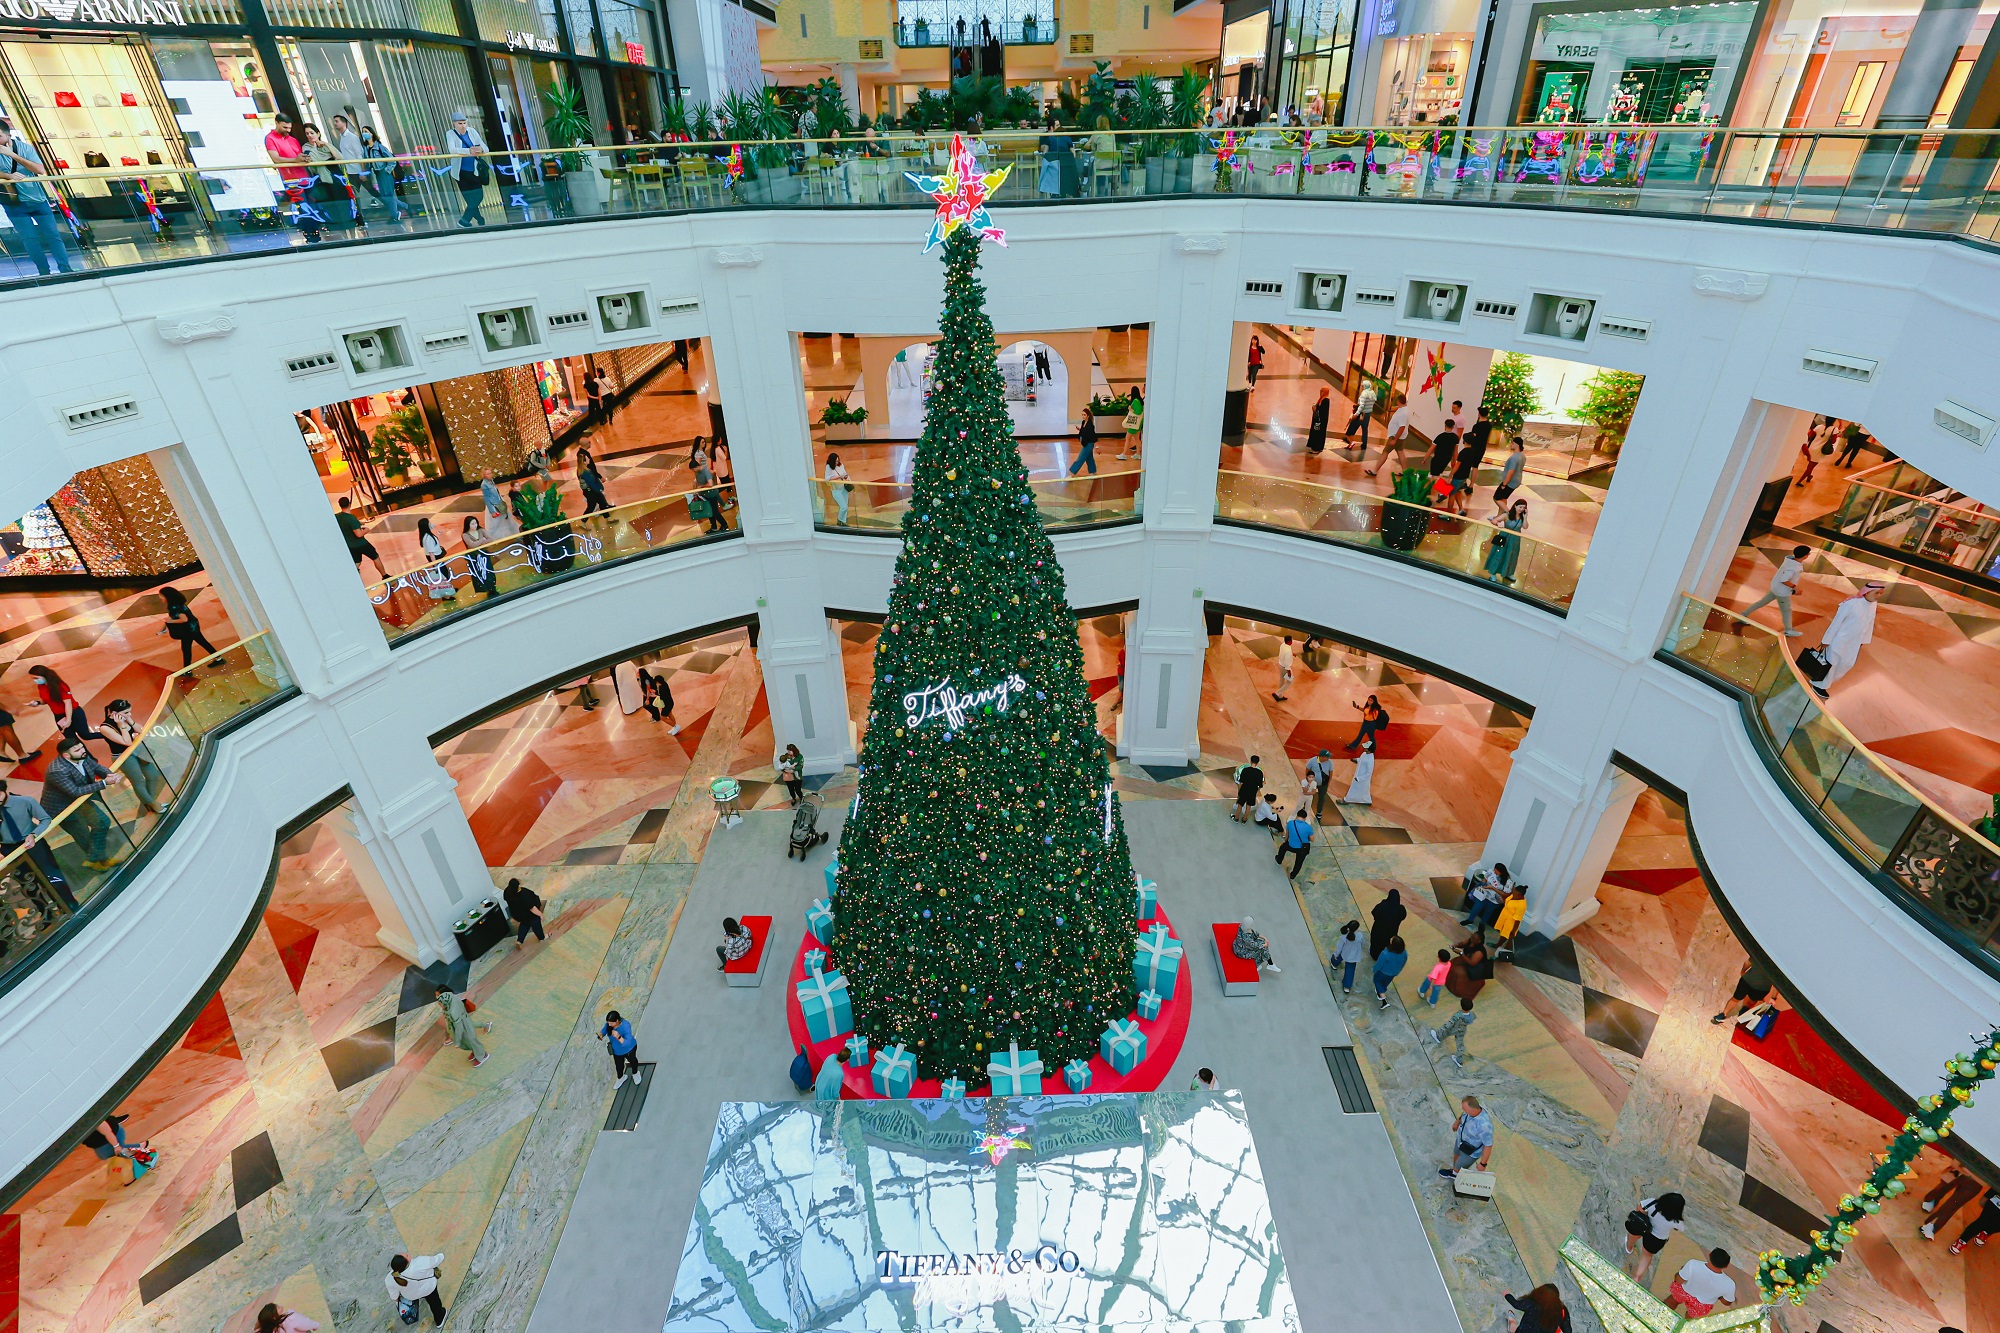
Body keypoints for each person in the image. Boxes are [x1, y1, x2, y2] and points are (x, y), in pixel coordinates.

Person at [0, 116, 76, 276]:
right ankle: (43, 271)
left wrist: (12, 155)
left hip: (37, 199)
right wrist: (8, 175)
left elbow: (40, 170)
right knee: (29, 239)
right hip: (14, 203)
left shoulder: (24, 148)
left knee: (53, 235)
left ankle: (65, 268)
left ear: (8, 135)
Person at [42, 738, 123, 871]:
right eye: (77, 749)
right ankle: (100, 861)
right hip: (63, 809)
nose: (82, 750)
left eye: (82, 747)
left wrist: (111, 775)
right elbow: (75, 791)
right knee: (82, 834)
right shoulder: (56, 770)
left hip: (79, 802)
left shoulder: (82, 756)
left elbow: (97, 768)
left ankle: (93, 858)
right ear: (66, 755)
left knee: (102, 822)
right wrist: (104, 783)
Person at [0, 779, 69, 908]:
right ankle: (46, 915)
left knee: (52, 875)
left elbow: (45, 819)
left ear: (4, 790)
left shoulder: (25, 801)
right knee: (28, 884)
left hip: (34, 843)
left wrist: (34, 834)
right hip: (10, 849)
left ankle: (68, 904)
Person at [100, 700, 165, 815]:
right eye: (126, 713)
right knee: (138, 781)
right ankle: (153, 804)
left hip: (137, 750)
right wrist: (122, 726)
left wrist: (129, 720)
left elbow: (140, 731)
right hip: (123, 756)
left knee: (153, 775)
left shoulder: (126, 719)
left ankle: (150, 802)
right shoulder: (105, 727)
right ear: (114, 713)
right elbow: (127, 742)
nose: (129, 714)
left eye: (130, 712)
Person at [263, 113, 320, 242]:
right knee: (303, 207)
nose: (288, 130)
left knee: (312, 206)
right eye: (285, 128)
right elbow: (275, 159)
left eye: (289, 128)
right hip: (291, 179)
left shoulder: (292, 139)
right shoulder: (270, 138)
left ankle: (316, 233)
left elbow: (298, 156)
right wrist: (295, 159)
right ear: (276, 123)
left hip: (305, 177)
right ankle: (310, 236)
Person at [1744, 544, 1809, 637]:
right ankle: (1788, 630)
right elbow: (1784, 579)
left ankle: (1743, 614)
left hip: (1775, 587)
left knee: (1761, 602)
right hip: (1781, 592)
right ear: (1805, 556)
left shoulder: (1789, 560)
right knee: (1786, 610)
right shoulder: (1794, 567)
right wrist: (1795, 588)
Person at [1624, 1191, 1686, 1282]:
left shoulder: (1652, 1203)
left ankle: (1629, 1248)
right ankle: (1637, 1277)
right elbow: (1681, 1229)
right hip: (1657, 1239)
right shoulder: (1677, 1221)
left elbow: (1639, 1208)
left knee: (1634, 1235)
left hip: (1643, 1227)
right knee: (1647, 1255)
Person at [358, 124, 410, 222]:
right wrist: (366, 173)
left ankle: (395, 215)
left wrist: (387, 170)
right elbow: (368, 163)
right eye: (363, 132)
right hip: (377, 173)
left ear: (371, 133)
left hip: (384, 173)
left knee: (388, 194)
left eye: (366, 131)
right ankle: (404, 206)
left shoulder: (379, 147)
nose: (364, 133)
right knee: (385, 195)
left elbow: (392, 160)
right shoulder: (366, 148)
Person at [158, 587, 219, 667]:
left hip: (188, 630)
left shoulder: (173, 606)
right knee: (202, 643)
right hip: (193, 626)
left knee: (186, 649)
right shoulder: (178, 603)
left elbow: (184, 619)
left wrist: (171, 622)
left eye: (161, 596)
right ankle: (219, 658)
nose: (160, 598)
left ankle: (187, 669)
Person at [448, 113, 488, 227]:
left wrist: (480, 149)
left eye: (464, 123)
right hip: (460, 173)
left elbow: (485, 148)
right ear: (454, 124)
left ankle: (464, 221)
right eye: (460, 123)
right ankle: (479, 219)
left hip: (474, 171)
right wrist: (468, 151)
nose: (463, 126)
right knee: (470, 200)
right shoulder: (450, 134)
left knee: (478, 196)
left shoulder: (472, 131)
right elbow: (452, 150)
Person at [1922, 1166, 1985, 1239]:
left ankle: (1932, 1225)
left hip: (1977, 1182)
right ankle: (1932, 1199)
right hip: (1961, 1168)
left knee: (1953, 1204)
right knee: (1943, 1186)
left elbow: (1987, 1182)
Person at [1668, 1251, 1736, 1318]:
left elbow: (1678, 1280)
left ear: (1710, 1255)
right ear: (1726, 1265)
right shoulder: (1730, 1284)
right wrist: (1719, 1296)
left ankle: (1663, 1314)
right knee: (1690, 1319)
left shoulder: (1693, 1264)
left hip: (1683, 1291)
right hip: (1702, 1304)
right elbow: (1726, 1302)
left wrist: (1681, 1271)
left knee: (1672, 1301)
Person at [336, 497, 390, 582]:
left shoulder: (338, 517)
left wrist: (359, 523)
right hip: (361, 544)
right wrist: (367, 529)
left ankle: (349, 579)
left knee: (357, 562)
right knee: (375, 557)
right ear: (349, 504)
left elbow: (347, 524)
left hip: (350, 545)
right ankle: (385, 575)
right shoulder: (351, 518)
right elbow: (358, 534)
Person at [1440, 1093, 1493, 1179]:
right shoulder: (1471, 1112)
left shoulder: (1484, 1126)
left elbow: (1488, 1145)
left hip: (1470, 1150)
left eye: (1464, 1108)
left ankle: (1455, 1175)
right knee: (1456, 1156)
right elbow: (1464, 1114)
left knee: (1459, 1166)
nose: (1462, 1109)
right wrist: (1457, 1121)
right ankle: (1455, 1169)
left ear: (1472, 1109)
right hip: (1460, 1141)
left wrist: (1483, 1164)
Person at [386, 1253, 447, 1327]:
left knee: (421, 1296)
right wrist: (441, 1255)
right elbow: (437, 1259)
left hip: (412, 1295)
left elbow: (394, 1296)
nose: (407, 1254)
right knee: (435, 1303)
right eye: (407, 1256)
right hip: (429, 1288)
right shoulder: (419, 1263)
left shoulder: (389, 1279)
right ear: (406, 1263)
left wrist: (396, 1298)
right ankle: (439, 1320)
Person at [436, 984, 491, 1066]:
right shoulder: (450, 1001)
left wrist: (457, 1041)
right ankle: (476, 1051)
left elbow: (459, 1028)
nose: (437, 998)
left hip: (462, 1024)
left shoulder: (453, 1011)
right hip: (462, 1021)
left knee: (471, 1039)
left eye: (438, 995)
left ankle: (482, 1055)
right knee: (468, 1038)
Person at [1712, 957, 1774, 1024]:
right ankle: (1725, 1013)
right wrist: (1743, 971)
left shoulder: (1763, 954)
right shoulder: (1763, 954)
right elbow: (1749, 962)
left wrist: (1743, 971)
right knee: (1737, 998)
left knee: (1746, 999)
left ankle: (1743, 1009)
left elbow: (1748, 962)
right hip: (1753, 984)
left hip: (1758, 986)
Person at [1364, 393, 1413, 477]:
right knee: (1400, 452)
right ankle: (1405, 472)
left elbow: (1401, 427)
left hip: (1395, 436)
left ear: (1398, 401)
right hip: (1400, 437)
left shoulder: (1402, 414)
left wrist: (1394, 440)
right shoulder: (1404, 409)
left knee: (1385, 452)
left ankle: (1375, 471)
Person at [1424, 995, 1477, 1067]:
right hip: (1462, 1030)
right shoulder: (1472, 1014)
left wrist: (1442, 1029)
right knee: (1460, 1044)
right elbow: (1472, 1020)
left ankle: (1438, 1037)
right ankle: (1459, 1060)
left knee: (1445, 1033)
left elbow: (1449, 1024)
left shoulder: (1458, 1015)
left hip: (1453, 1029)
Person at [1484, 497, 1529, 583]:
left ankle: (1509, 573)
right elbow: (1495, 520)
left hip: (1515, 540)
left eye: (1524, 508)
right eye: (1520, 507)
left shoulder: (1522, 517)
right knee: (1499, 555)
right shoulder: (1507, 515)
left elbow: (1525, 527)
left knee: (1512, 556)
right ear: (1515, 506)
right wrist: (1497, 524)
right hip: (1505, 537)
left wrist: (1525, 517)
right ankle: (1493, 573)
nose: (1521, 509)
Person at [1503, 1284, 1571, 1333]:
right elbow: (1568, 1330)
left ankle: (1511, 1321)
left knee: (1513, 1328)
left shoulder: (1532, 1303)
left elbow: (1516, 1304)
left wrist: (1507, 1295)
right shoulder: (1562, 1310)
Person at [416, 517, 454, 601]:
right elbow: (431, 553)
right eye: (429, 523)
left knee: (443, 574)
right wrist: (435, 565)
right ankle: (446, 595)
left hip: (436, 558)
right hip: (436, 559)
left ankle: (447, 592)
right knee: (443, 575)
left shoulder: (426, 536)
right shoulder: (428, 538)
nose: (431, 524)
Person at [600, 1008, 640, 1085]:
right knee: (619, 1066)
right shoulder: (609, 1025)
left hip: (629, 1049)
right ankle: (620, 1078)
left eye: (611, 1023)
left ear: (617, 1021)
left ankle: (635, 1073)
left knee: (633, 1062)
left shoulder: (626, 1025)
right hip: (617, 1051)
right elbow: (604, 1030)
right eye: (608, 1022)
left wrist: (618, 1036)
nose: (609, 1025)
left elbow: (627, 1043)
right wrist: (601, 1035)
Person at [503, 876, 544, 947]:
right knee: (536, 924)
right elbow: (532, 908)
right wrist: (540, 914)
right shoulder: (523, 895)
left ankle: (520, 941)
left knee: (525, 924)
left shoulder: (507, 892)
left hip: (518, 914)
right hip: (528, 914)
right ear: (518, 886)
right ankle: (542, 938)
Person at [1275, 806, 1313, 879]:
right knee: (1299, 862)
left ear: (1297, 815)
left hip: (1290, 845)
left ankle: (1279, 859)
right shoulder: (1308, 827)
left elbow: (1287, 835)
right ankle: (1293, 875)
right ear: (1305, 818)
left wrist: (1285, 842)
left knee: (1282, 848)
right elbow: (1312, 839)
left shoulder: (1290, 823)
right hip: (1302, 848)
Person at [461, 516, 496, 596]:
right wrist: (482, 540)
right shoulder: (465, 535)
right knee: (478, 573)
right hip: (474, 557)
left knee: (488, 571)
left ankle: (492, 588)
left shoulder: (481, 530)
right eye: (472, 524)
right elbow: (472, 545)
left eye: (476, 523)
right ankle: (485, 589)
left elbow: (490, 539)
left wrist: (479, 543)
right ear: (468, 525)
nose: (475, 525)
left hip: (484, 554)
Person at [1369, 887, 1407, 959]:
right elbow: (1403, 916)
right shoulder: (1400, 909)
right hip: (1392, 931)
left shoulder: (1382, 905)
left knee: (1376, 941)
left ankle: (1374, 955)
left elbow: (1374, 912)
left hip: (1378, 928)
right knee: (1387, 943)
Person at [1372, 935, 1408, 1008]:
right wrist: (1399, 970)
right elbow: (1404, 962)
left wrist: (1374, 969)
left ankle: (1383, 999)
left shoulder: (1385, 953)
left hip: (1383, 972)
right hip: (1393, 972)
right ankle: (1382, 991)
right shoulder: (1404, 952)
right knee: (1386, 983)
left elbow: (1379, 963)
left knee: (1377, 981)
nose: (1391, 938)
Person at [1330, 920, 1366, 993]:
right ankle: (1347, 986)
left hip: (1345, 953)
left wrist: (1336, 954)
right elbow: (1363, 943)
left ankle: (1334, 964)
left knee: (1338, 957)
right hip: (1354, 957)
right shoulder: (1359, 935)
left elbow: (1339, 947)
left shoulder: (1344, 936)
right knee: (1350, 971)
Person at [1341, 379, 1378, 450]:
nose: (1361, 387)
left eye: (1362, 386)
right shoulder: (1372, 392)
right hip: (1368, 413)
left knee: (1352, 426)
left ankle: (1349, 440)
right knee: (1364, 429)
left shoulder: (1364, 394)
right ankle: (1364, 444)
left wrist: (1356, 414)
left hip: (1361, 413)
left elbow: (1361, 405)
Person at [640, 668, 679, 733]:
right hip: (669, 703)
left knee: (663, 717)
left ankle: (675, 726)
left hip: (667, 705)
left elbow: (662, 696)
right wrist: (655, 692)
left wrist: (655, 695)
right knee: (670, 715)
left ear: (658, 682)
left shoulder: (662, 688)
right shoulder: (664, 684)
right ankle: (674, 727)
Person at [1494, 435, 1527, 505]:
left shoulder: (1514, 458)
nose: (1510, 444)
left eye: (1512, 443)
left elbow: (1511, 472)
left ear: (1517, 444)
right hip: (1516, 481)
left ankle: (1507, 513)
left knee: (1496, 498)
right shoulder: (1522, 456)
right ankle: (1501, 515)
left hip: (1510, 482)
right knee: (1503, 498)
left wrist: (1504, 484)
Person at [1232, 754, 1265, 823]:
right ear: (1257, 763)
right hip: (1252, 791)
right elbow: (1260, 785)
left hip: (1244, 790)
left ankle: (1236, 818)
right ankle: (1244, 819)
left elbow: (1241, 782)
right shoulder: (1260, 773)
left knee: (1240, 805)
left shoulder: (1245, 770)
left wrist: (1240, 791)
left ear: (1251, 761)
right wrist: (1256, 792)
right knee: (1248, 806)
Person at [1343, 740, 1375, 805]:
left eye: (1366, 747)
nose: (1364, 748)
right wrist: (1356, 760)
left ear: (1369, 749)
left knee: (1354, 789)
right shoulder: (1364, 753)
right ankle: (1366, 800)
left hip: (1362, 778)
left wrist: (1359, 778)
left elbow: (1369, 772)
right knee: (1364, 790)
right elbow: (1361, 759)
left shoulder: (1370, 760)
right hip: (1358, 775)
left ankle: (1347, 799)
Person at [1116, 385, 1144, 461]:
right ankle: (1138, 454)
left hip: (1133, 424)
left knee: (1128, 438)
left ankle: (1124, 454)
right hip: (1138, 423)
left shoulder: (1135, 401)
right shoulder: (1140, 400)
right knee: (1137, 439)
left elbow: (1138, 412)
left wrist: (1131, 409)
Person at [1305, 749, 1335, 818]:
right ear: (1322, 757)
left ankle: (1319, 811)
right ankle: (1305, 808)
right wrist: (1308, 780)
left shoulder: (1330, 762)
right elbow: (1307, 769)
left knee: (1322, 797)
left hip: (1323, 784)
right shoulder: (1312, 761)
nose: (1329, 758)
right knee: (1308, 795)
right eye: (1327, 757)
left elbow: (1331, 772)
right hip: (1312, 783)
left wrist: (1329, 782)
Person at [824, 451, 852, 524]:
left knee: (846, 507)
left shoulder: (841, 465)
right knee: (844, 507)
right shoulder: (828, 467)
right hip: (836, 490)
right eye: (835, 461)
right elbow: (827, 478)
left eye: (838, 461)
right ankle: (839, 520)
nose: (837, 462)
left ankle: (844, 522)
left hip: (844, 488)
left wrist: (845, 476)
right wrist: (839, 477)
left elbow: (845, 474)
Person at [1069, 409, 1099, 476]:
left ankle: (1071, 474)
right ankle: (1093, 472)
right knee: (1089, 458)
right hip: (1085, 443)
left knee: (1080, 459)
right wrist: (1079, 429)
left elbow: (1093, 436)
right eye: (1082, 415)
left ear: (1088, 416)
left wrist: (1097, 447)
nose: (1083, 416)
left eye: (1084, 415)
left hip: (1088, 444)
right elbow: (1084, 431)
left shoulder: (1090, 425)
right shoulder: (1083, 422)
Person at [1305, 388, 1332, 455]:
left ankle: (1317, 448)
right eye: (1320, 391)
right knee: (1316, 432)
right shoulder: (1321, 399)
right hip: (1317, 419)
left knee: (1318, 433)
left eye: (1322, 391)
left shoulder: (1326, 400)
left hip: (1321, 420)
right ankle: (1315, 446)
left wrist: (1316, 409)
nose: (1320, 392)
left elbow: (1323, 411)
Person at [1273, 635, 1294, 701]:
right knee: (1290, 681)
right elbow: (1287, 663)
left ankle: (1280, 696)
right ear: (1290, 641)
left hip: (1280, 665)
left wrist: (1292, 654)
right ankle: (1277, 693)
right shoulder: (1288, 651)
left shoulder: (1282, 645)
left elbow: (1284, 654)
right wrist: (1289, 672)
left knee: (1282, 681)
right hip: (1285, 668)